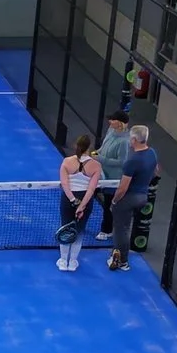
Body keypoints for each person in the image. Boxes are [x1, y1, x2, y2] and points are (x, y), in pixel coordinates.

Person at [102, 124, 161, 270]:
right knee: (125, 227)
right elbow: (156, 172)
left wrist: (114, 201)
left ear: (134, 139)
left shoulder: (132, 161)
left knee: (121, 229)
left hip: (129, 198)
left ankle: (122, 261)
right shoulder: (152, 153)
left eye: (130, 138)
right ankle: (119, 256)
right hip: (143, 197)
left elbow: (123, 187)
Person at [55, 135, 101, 272]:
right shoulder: (96, 165)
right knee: (79, 231)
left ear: (77, 146)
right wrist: (82, 205)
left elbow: (64, 184)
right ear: (89, 148)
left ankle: (63, 261)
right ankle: (72, 262)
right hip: (85, 200)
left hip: (68, 199)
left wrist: (72, 200)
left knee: (65, 228)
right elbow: (91, 188)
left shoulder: (66, 162)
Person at [92, 108, 133, 249]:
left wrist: (101, 158)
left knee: (109, 204)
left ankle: (106, 230)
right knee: (88, 193)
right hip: (99, 172)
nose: (110, 121)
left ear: (120, 123)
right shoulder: (110, 130)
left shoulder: (124, 142)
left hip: (113, 179)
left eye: (113, 119)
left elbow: (122, 162)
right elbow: (103, 146)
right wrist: (96, 153)